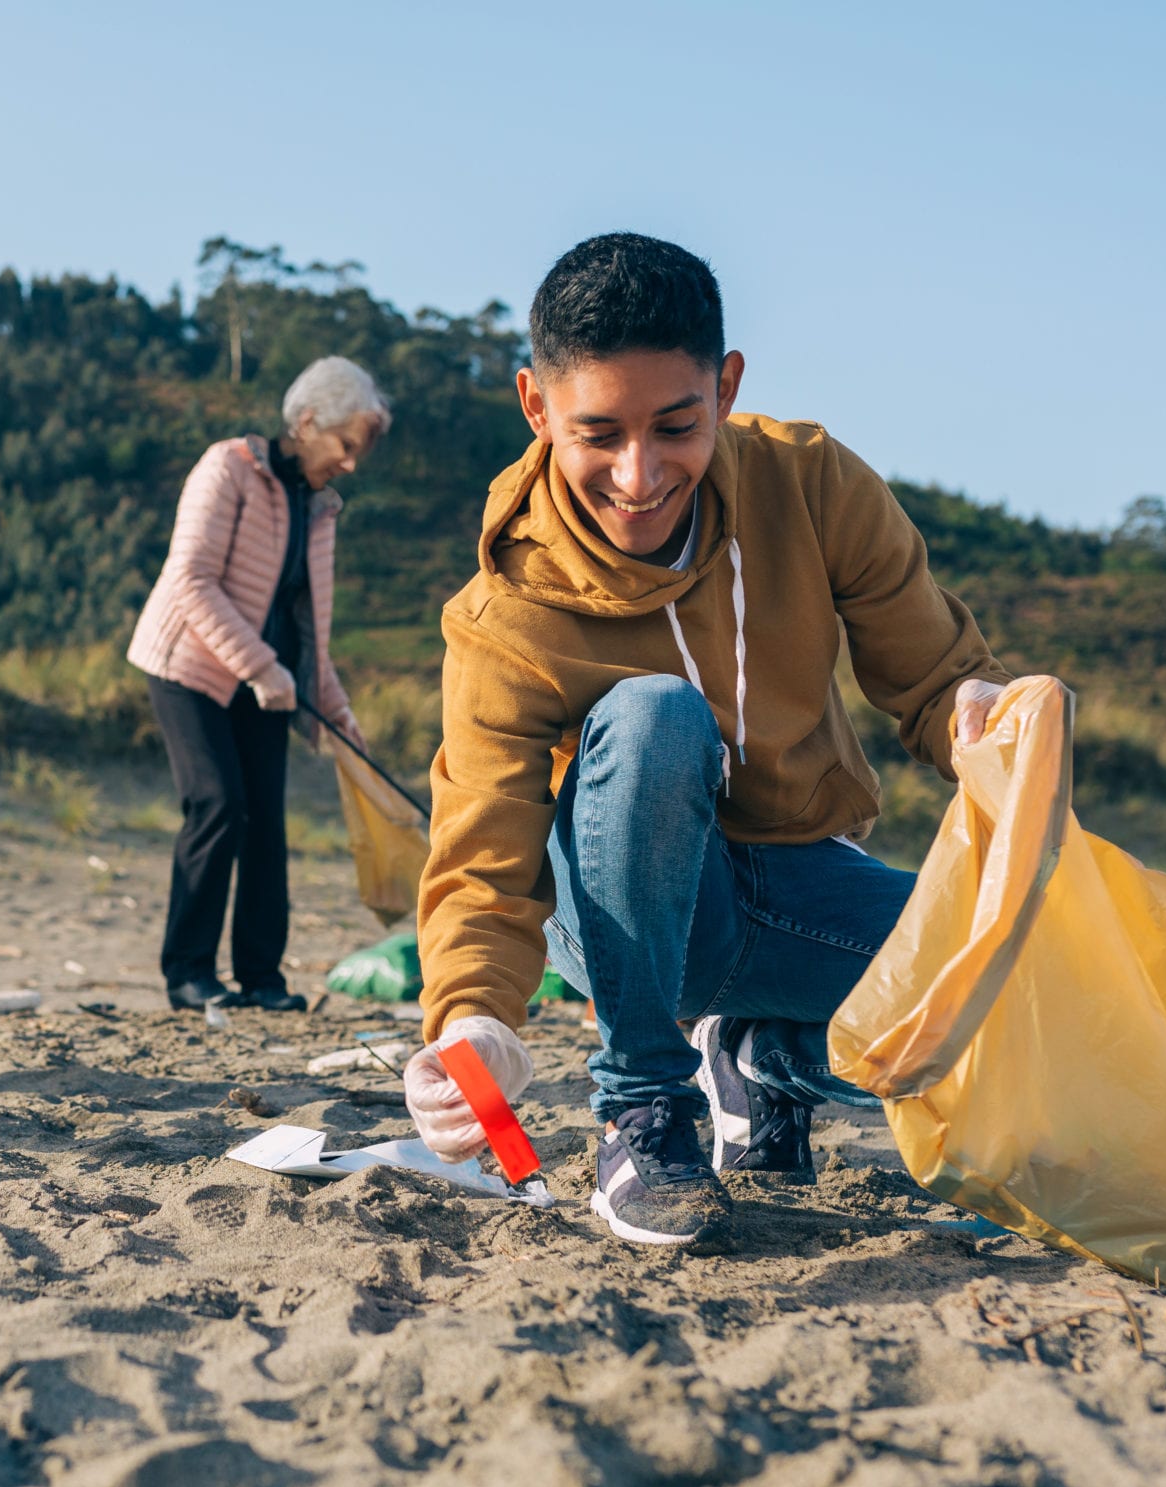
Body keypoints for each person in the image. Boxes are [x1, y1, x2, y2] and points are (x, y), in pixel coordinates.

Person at [403, 233, 1032, 1250]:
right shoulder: (503, 613)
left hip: (797, 881)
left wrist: (989, 715)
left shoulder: (813, 483)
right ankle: (645, 1108)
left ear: (726, 387)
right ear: (534, 406)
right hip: (626, 917)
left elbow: (934, 678)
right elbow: (483, 849)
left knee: (1018, 998)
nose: (638, 474)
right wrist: (473, 1023)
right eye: (596, 433)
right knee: (653, 715)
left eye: (675, 427)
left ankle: (763, 1055)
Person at [127, 358, 389, 1012]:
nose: (353, 463)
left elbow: (306, 627)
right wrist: (263, 668)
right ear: (306, 423)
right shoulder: (228, 468)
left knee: (267, 824)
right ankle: (187, 971)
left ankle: (263, 978)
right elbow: (190, 581)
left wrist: (336, 711)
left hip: (265, 681)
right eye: (347, 445)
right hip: (188, 665)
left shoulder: (320, 507)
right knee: (218, 805)